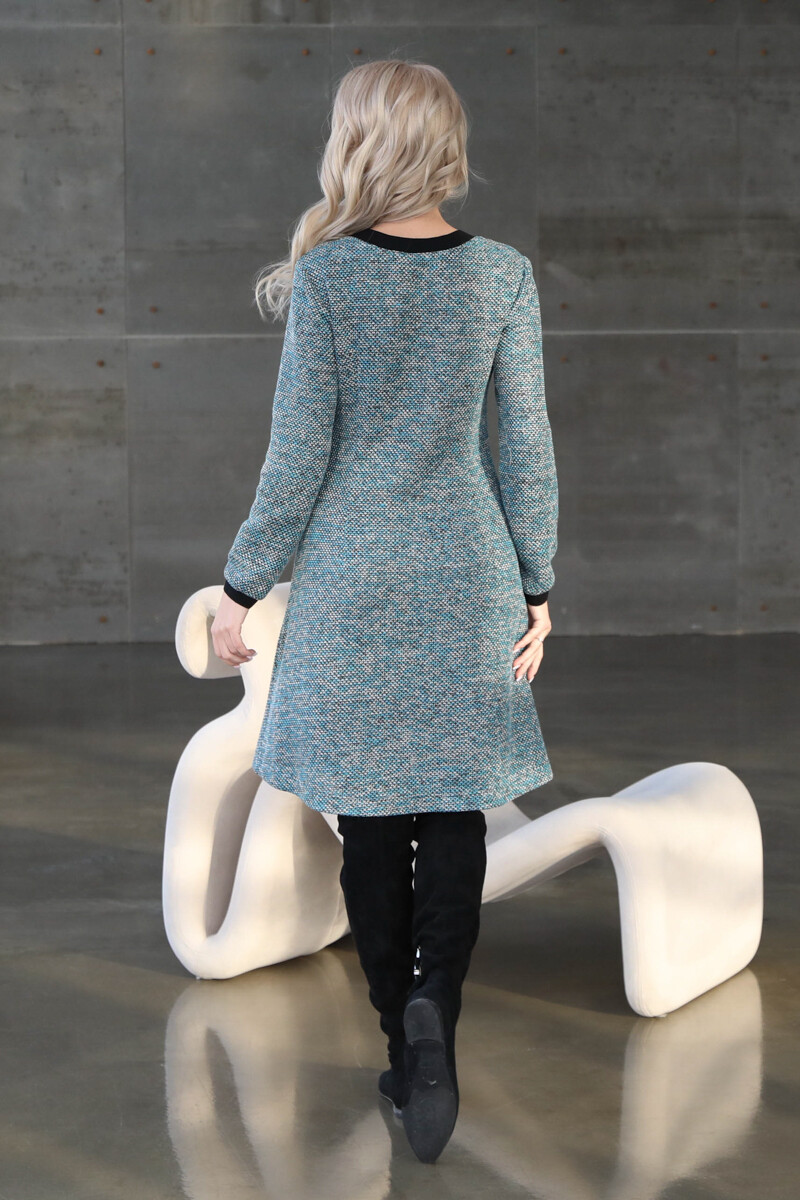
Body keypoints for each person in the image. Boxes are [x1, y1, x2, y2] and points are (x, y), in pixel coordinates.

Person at [211, 58, 558, 1163]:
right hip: (467, 570)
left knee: (368, 814)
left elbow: (297, 459)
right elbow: (526, 450)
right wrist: (536, 584)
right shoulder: (502, 275)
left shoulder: (328, 280)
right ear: (446, 143)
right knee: (454, 807)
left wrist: (241, 586)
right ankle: (433, 1019)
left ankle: (396, 1046)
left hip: (355, 575)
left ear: (356, 141)